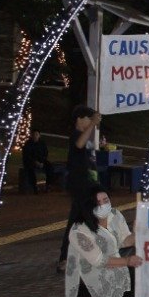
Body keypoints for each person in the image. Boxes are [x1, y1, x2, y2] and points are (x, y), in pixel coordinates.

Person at [57, 188, 142, 297]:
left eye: (106, 200)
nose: (103, 205)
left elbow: (124, 243)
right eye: (98, 202)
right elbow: (99, 260)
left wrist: (136, 233)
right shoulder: (79, 231)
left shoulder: (115, 215)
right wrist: (128, 261)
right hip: (95, 275)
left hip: (116, 265)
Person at [57, 106, 102, 272]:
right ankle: (97, 255)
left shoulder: (83, 137)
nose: (90, 122)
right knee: (91, 219)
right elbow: (79, 144)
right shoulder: (76, 135)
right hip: (80, 185)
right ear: (79, 119)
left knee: (77, 222)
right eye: (88, 119)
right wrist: (93, 125)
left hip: (85, 185)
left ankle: (65, 258)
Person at [20, 129, 50, 193]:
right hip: (30, 162)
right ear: (31, 135)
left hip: (41, 161)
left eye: (37, 134)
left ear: (39, 135)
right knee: (31, 170)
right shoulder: (28, 144)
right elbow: (27, 156)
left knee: (50, 167)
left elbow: (46, 153)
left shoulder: (42, 143)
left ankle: (48, 185)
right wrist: (35, 162)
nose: (35, 136)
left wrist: (42, 162)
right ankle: (34, 187)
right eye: (33, 135)